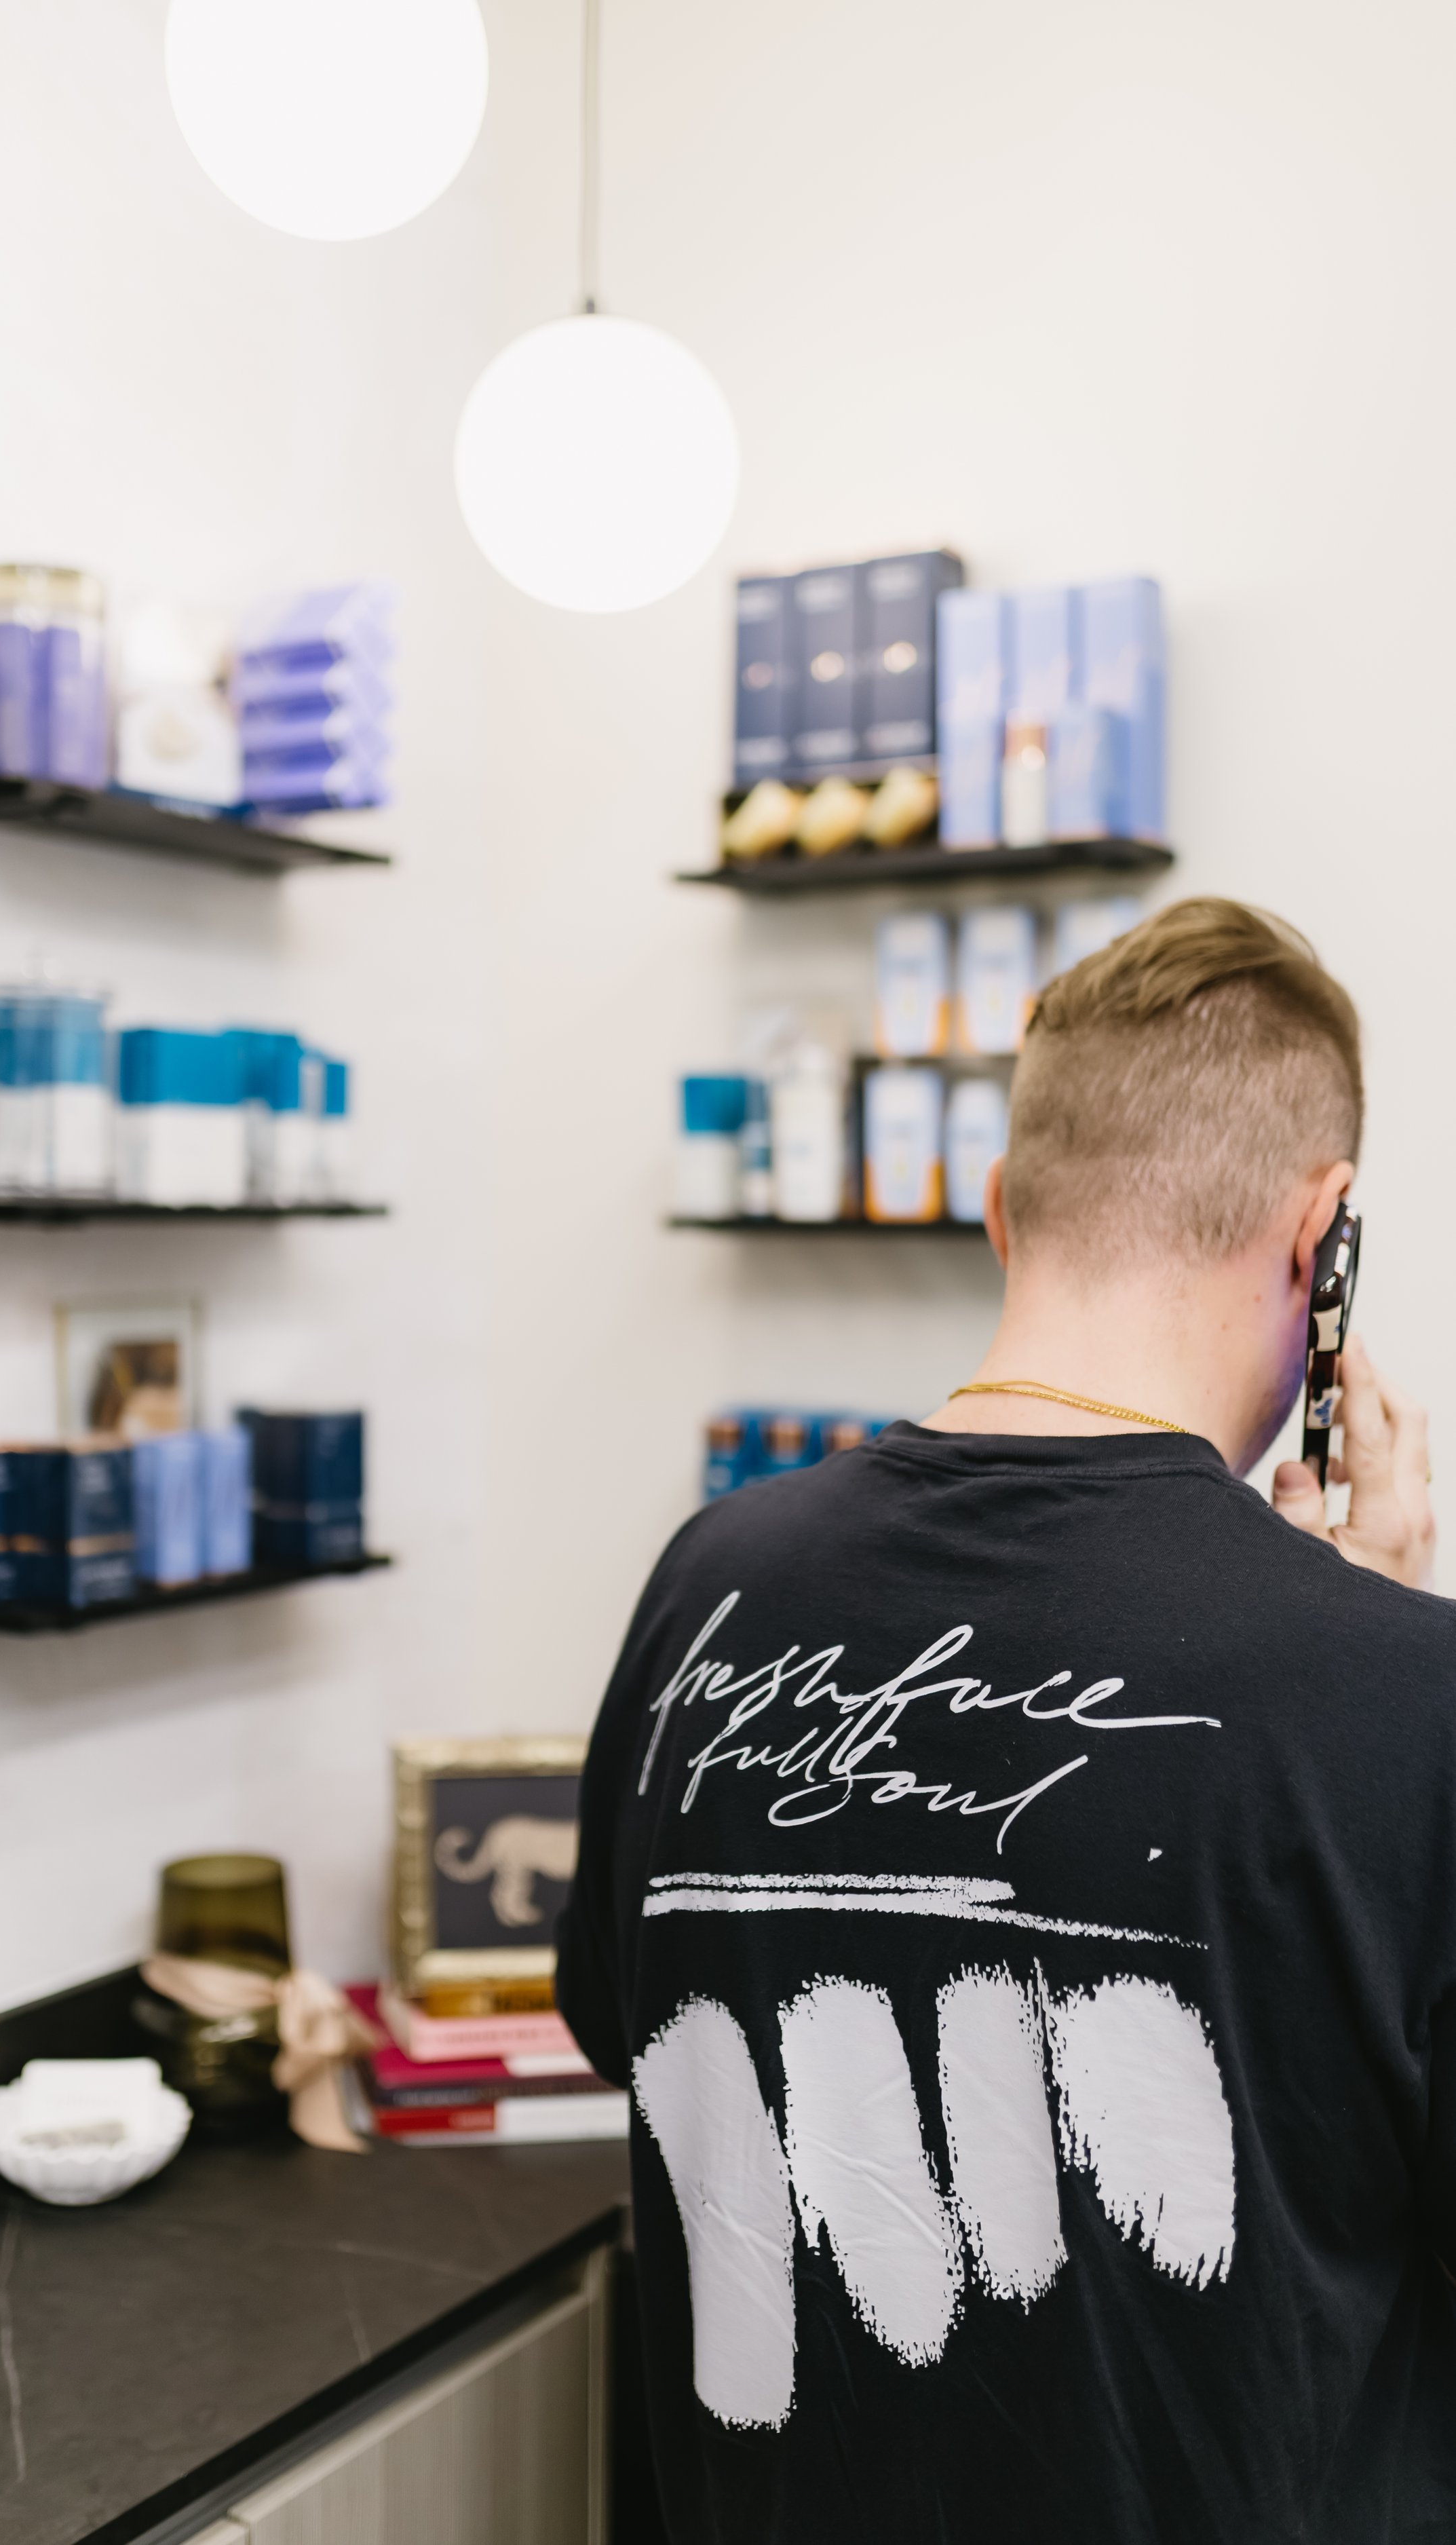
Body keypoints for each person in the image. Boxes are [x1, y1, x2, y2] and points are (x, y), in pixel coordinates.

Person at [556, 898, 1451, 2545]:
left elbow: (627, 2031)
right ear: (1322, 1233)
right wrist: (1378, 1636)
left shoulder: (710, 1581)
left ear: (994, 1209)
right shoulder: (1415, 1699)